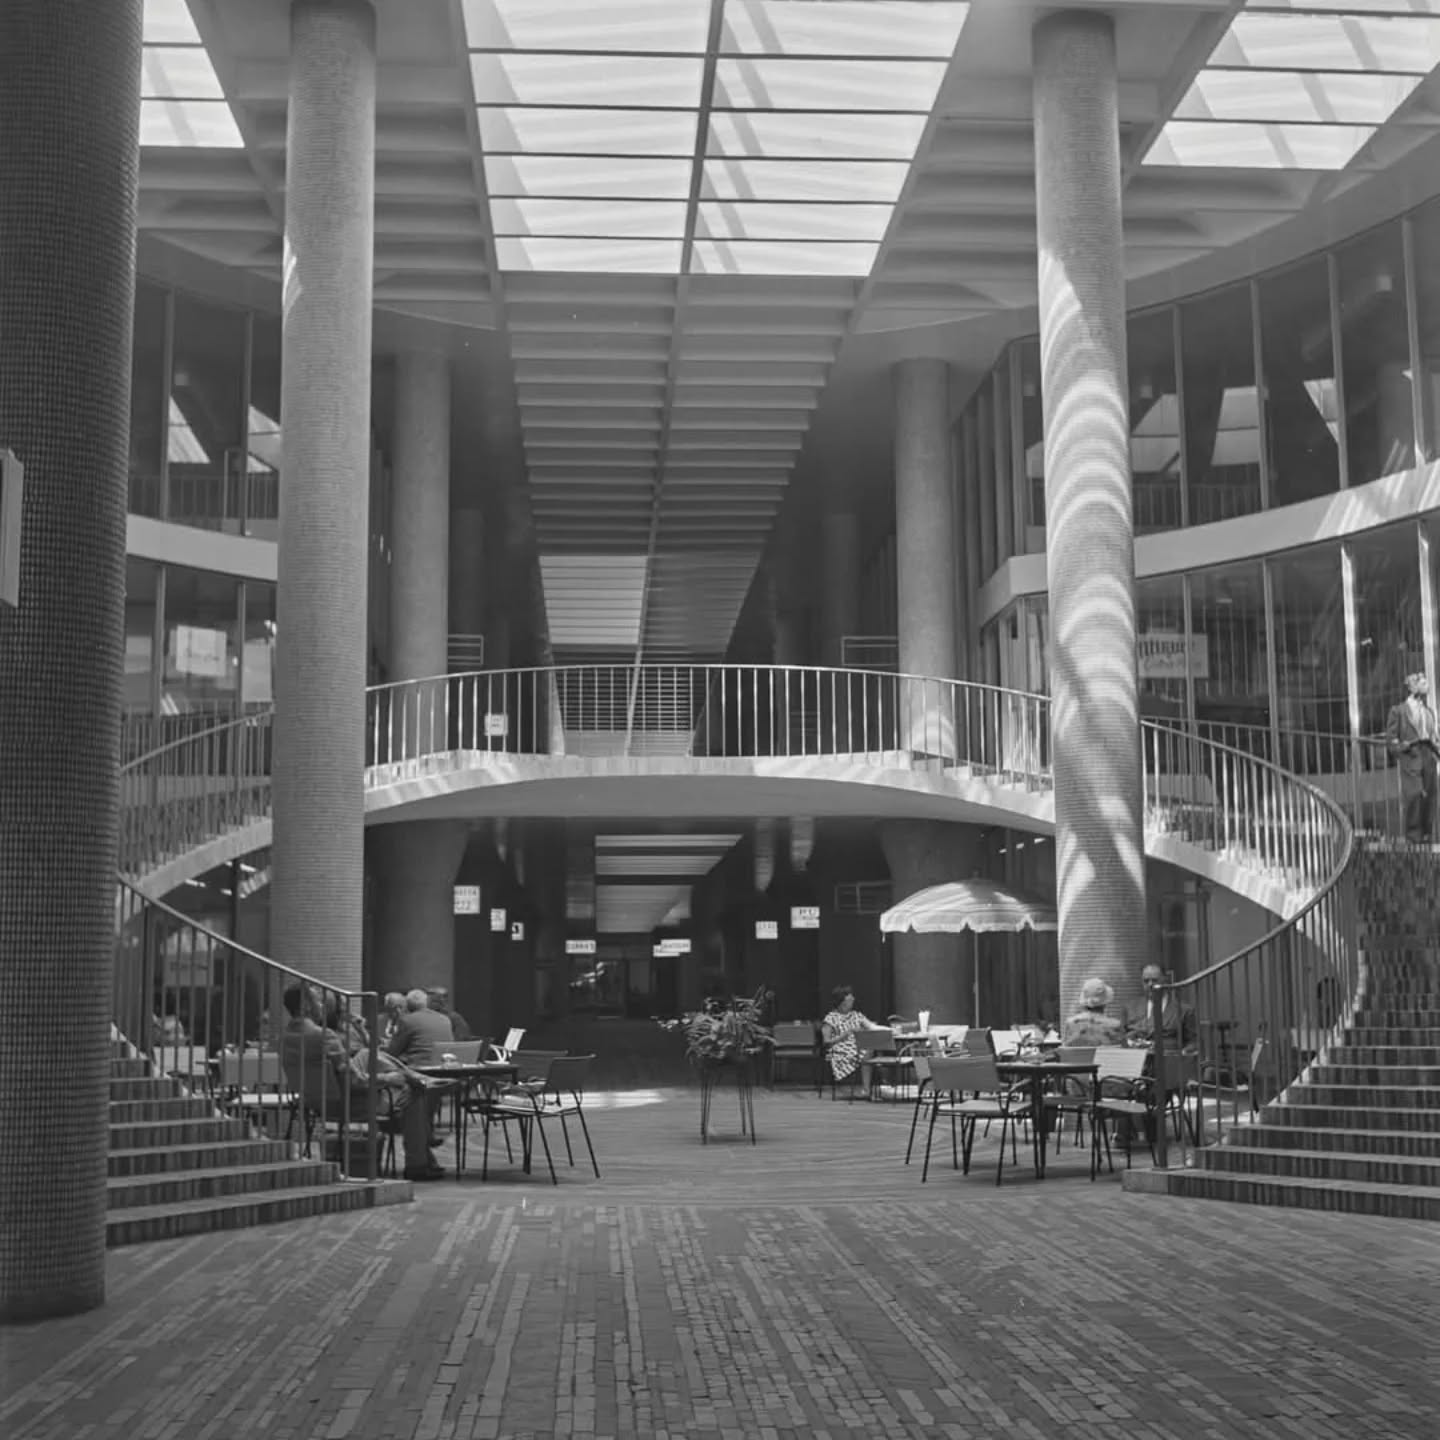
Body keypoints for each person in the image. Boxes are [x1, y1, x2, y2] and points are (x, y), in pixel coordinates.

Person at [277, 984, 443, 1181]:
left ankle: (413, 1077)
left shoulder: (286, 1037)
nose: (322, 1006)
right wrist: (387, 1079)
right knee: (414, 1093)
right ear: (306, 1005)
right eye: (318, 1001)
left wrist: (361, 1032)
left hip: (315, 1102)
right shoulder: (324, 1035)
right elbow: (354, 1080)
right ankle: (417, 1164)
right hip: (349, 1103)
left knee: (366, 1054)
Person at [1386, 672, 1439, 843]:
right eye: (1422, 683)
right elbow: (1391, 740)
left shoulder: (1429, 712)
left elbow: (1434, 737)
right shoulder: (1398, 711)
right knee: (1414, 795)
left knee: (1430, 797)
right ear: (1412, 686)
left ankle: (1426, 836)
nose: (1426, 686)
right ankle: (1413, 838)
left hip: (1428, 755)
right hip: (1411, 755)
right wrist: (1402, 748)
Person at [1127, 964, 1197, 1051]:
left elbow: (1194, 1042)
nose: (1150, 984)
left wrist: (1184, 1052)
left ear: (1164, 980)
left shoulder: (1184, 1010)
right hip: (1137, 1057)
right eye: (1146, 981)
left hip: (1169, 1057)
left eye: (1155, 980)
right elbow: (1122, 1038)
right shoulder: (1130, 1008)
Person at [821, 985, 882, 1084]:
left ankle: (880, 1082)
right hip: (839, 1050)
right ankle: (867, 1088)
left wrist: (891, 1030)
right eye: (850, 999)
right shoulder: (830, 1018)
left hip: (857, 1046)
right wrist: (843, 1036)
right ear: (842, 1002)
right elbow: (826, 1042)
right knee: (868, 1049)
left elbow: (873, 1027)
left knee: (876, 1044)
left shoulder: (856, 1015)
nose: (853, 999)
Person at [386, 988, 455, 1068]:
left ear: (407, 1005)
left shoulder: (407, 1020)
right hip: (443, 1067)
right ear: (426, 1002)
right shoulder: (445, 1019)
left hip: (418, 1069)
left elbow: (392, 1053)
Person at [1062, 978, 1126, 1047]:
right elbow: (1124, 1051)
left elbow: (1066, 1049)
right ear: (1106, 1002)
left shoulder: (1070, 1024)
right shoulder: (1115, 1025)